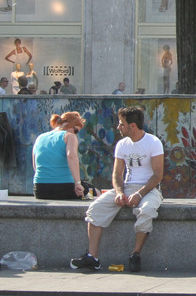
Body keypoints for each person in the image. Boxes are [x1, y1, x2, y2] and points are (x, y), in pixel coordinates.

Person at [70, 106, 164, 272]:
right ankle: (93, 257)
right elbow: (117, 174)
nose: (118, 127)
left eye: (121, 124)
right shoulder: (122, 144)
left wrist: (139, 193)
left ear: (132, 126)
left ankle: (135, 254)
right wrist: (120, 193)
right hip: (126, 187)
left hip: (149, 189)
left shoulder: (153, 142)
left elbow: (157, 176)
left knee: (147, 211)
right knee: (95, 208)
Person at [33, 111, 86, 200]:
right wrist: (77, 183)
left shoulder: (40, 138)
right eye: (76, 130)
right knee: (94, 191)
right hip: (64, 187)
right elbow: (71, 157)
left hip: (39, 189)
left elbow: (35, 165)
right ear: (67, 124)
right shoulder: (69, 136)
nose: (75, 133)